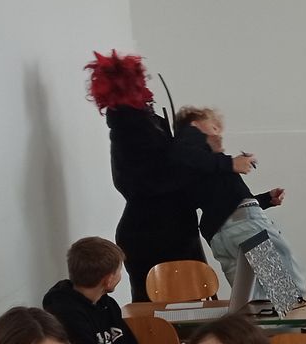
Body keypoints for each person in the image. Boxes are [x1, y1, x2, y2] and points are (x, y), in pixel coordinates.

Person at [84, 51, 255, 302]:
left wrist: (261, 198)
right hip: (219, 227)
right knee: (270, 294)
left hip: (239, 221)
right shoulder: (187, 152)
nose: (218, 133)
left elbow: (231, 198)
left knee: (274, 294)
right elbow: (168, 175)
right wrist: (226, 163)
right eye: (210, 127)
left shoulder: (196, 156)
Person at [174, 106, 298, 309]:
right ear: (195, 124)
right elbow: (237, 210)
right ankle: (292, 329)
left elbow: (224, 200)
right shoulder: (191, 143)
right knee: (285, 294)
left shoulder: (202, 165)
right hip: (244, 227)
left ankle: (260, 328)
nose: (219, 134)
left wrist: (265, 200)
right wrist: (231, 163)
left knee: (252, 302)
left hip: (222, 234)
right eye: (214, 127)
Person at [42, 236, 147, 344]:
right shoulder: (66, 314)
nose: (120, 275)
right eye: (119, 271)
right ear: (108, 280)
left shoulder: (109, 304)